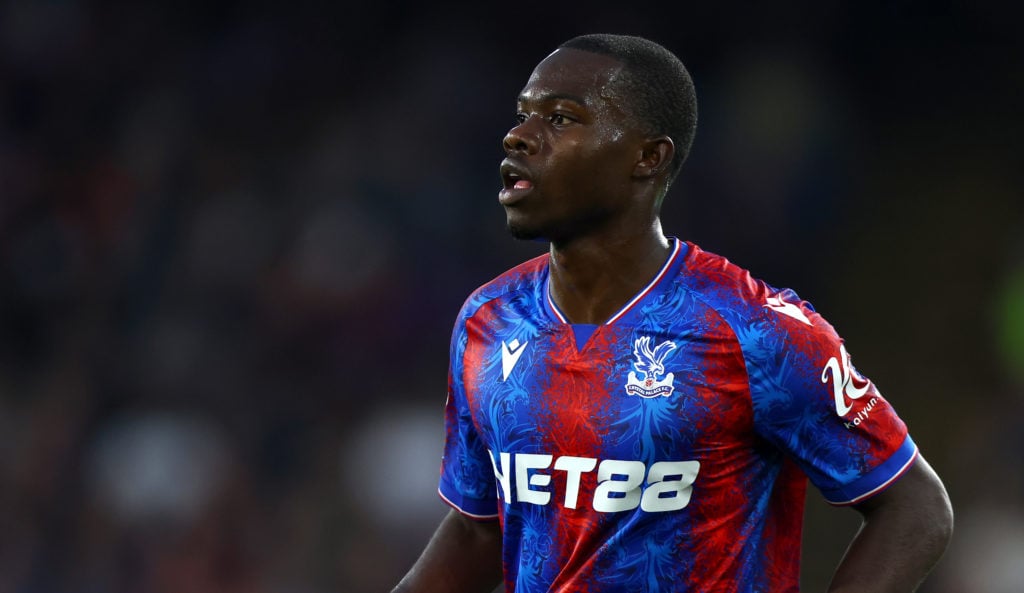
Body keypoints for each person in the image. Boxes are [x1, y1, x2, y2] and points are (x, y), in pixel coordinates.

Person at [392, 33, 953, 593]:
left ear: (648, 157)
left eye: (560, 119)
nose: (518, 136)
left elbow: (915, 508)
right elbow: (477, 532)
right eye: (523, 115)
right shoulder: (489, 320)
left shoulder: (752, 329)